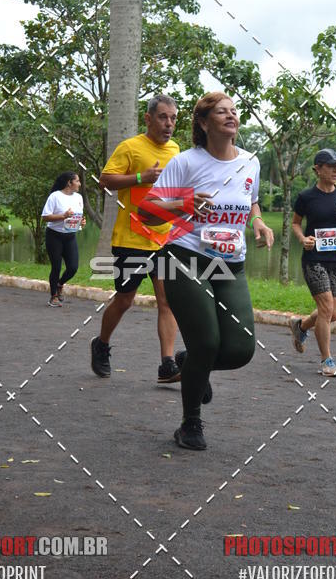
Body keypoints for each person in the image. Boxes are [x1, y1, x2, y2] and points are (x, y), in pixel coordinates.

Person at [143, 91, 274, 451]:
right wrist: (183, 203)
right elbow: (147, 213)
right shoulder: (186, 163)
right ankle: (190, 423)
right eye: (221, 112)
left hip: (231, 264)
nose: (231, 116)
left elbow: (251, 200)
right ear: (203, 122)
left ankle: (189, 363)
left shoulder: (251, 162)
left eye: (234, 111)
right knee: (207, 342)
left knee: (240, 349)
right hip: (184, 258)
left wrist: (259, 222)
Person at [90, 95, 182, 384]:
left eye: (173, 118)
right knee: (125, 299)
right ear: (148, 118)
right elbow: (105, 180)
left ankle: (167, 364)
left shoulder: (176, 150)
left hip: (164, 239)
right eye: (163, 117)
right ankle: (101, 344)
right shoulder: (130, 147)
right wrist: (142, 176)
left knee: (167, 301)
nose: (169, 124)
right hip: (131, 238)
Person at [290, 148, 336, 377]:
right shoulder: (306, 197)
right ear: (317, 169)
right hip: (314, 259)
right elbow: (296, 224)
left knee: (333, 313)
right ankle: (326, 361)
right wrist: (303, 239)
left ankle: (300, 326)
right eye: (331, 166)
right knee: (326, 308)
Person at [41, 171, 86, 306]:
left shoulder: (78, 197)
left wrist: (82, 222)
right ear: (69, 183)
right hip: (54, 235)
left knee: (73, 267)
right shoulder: (55, 196)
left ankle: (60, 284)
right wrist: (63, 216)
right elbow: (45, 217)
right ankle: (53, 296)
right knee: (56, 267)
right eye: (77, 181)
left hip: (70, 236)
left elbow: (78, 216)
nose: (79, 183)